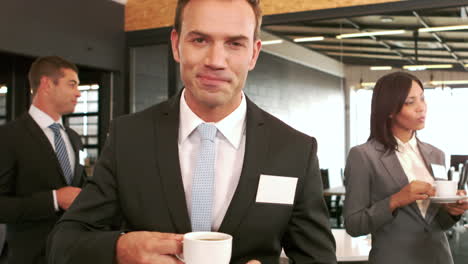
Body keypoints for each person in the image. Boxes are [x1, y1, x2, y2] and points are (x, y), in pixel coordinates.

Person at [47, 0, 337, 263]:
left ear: (253, 53)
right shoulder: (129, 137)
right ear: (176, 45)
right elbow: (64, 242)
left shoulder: (294, 150)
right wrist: (120, 248)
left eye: (234, 43)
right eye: (200, 39)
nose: (215, 60)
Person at [344, 71, 468, 264]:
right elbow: (353, 224)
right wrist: (395, 200)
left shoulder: (436, 154)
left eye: (422, 98)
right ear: (390, 110)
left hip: (439, 257)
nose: (422, 108)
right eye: (411, 102)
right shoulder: (363, 156)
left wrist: (452, 211)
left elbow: (436, 222)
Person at [0, 56, 86, 264]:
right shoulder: (8, 136)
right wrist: (54, 199)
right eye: (72, 84)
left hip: (73, 254)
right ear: (46, 84)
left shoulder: (74, 138)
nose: (78, 93)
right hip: (28, 257)